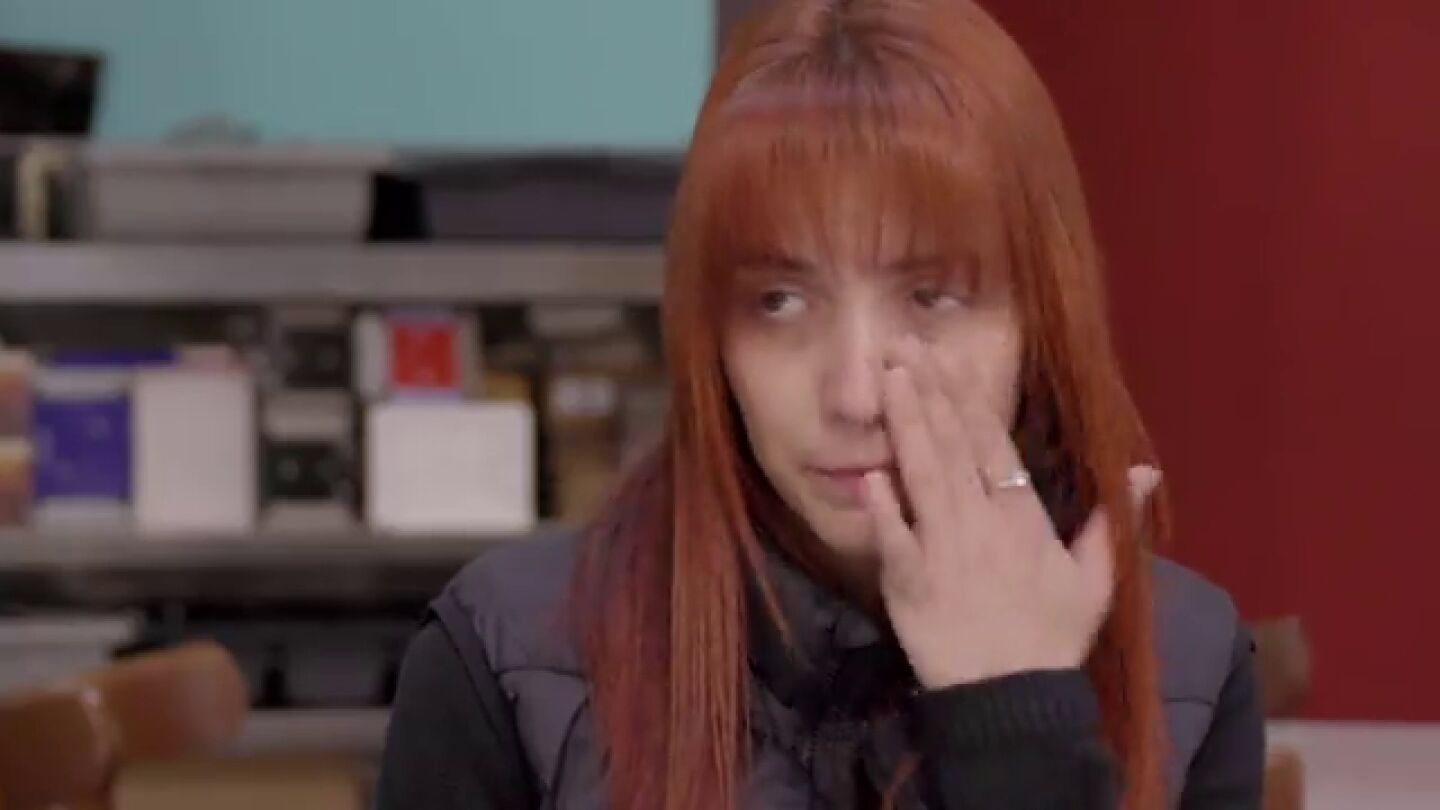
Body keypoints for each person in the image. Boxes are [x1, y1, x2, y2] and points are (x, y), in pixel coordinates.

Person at [375, 0, 1264, 808]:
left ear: (1038, 320)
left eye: (931, 297)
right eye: (780, 303)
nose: (854, 395)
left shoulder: (1188, 665)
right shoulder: (504, 658)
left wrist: (1018, 728)